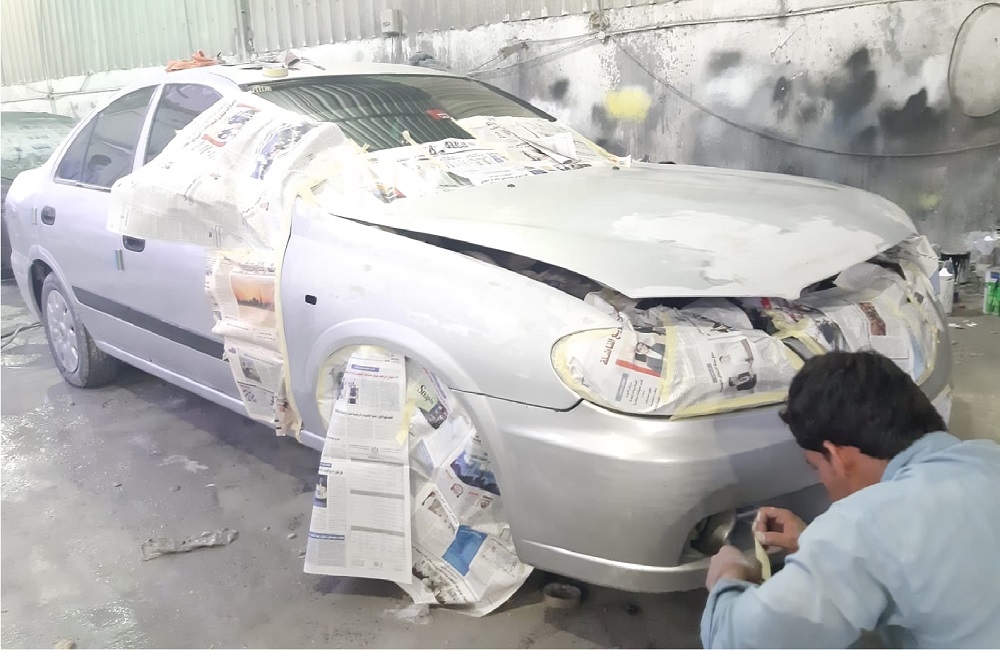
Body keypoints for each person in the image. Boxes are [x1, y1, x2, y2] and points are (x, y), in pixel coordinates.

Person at [701, 351, 1000, 648]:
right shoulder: (988, 456)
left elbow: (739, 642)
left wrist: (728, 575)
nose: (823, 480)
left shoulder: (864, 525)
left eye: (816, 466)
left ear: (836, 456)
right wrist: (812, 542)